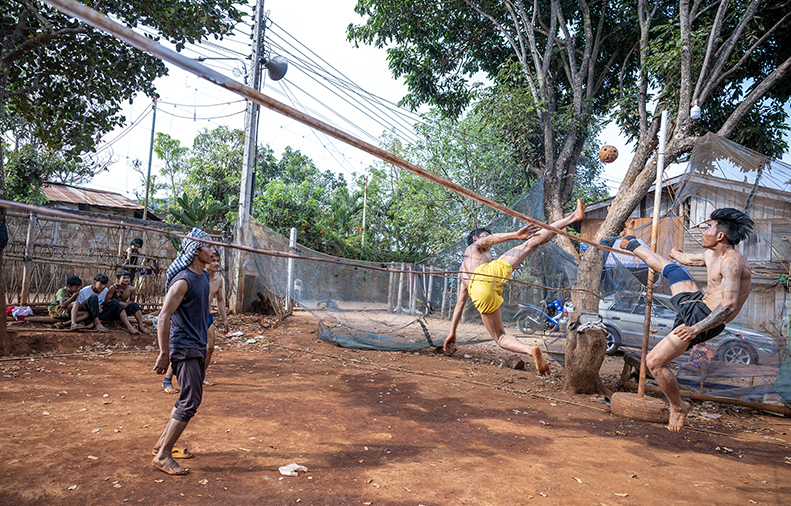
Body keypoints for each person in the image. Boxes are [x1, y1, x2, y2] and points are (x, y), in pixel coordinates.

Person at [620, 208, 753, 432]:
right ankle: (631, 241)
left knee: (653, 362)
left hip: (705, 319)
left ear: (720, 235)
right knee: (671, 268)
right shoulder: (712, 255)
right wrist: (676, 254)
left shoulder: (732, 262)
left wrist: (695, 329)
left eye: (708, 227)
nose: (703, 232)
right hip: (695, 303)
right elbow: (685, 259)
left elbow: (728, 305)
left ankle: (678, 406)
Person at [444, 199, 586, 375]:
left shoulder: (463, 271)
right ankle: (572, 217)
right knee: (529, 243)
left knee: (500, 337)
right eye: (484, 237)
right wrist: (514, 235)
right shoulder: (473, 248)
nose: (488, 245)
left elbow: (459, 304)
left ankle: (529, 350)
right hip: (488, 274)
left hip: (479, 294)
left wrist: (452, 332)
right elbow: (488, 239)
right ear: (475, 238)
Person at [152, 228, 215, 475]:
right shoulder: (183, 281)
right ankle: (163, 455)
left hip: (196, 345)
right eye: (209, 246)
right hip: (184, 346)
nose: (213, 250)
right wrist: (163, 352)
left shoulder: (203, 278)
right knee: (190, 401)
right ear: (196, 251)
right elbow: (163, 316)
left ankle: (161, 444)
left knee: (186, 399)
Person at [161, 252, 229, 391]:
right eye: (213, 260)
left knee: (209, 348)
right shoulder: (194, 277)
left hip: (207, 316)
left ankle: (201, 375)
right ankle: (167, 379)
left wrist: (225, 320)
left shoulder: (218, 280)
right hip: (191, 319)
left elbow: (220, 301)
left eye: (218, 261)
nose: (216, 263)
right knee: (184, 350)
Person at [106, 270, 149, 335]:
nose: (126, 279)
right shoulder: (113, 288)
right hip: (114, 310)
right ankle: (130, 327)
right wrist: (120, 303)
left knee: (135, 305)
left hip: (124, 309)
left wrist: (126, 304)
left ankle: (141, 326)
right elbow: (107, 300)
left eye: (128, 278)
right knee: (121, 306)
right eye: (124, 278)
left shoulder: (131, 289)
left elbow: (132, 300)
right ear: (118, 279)